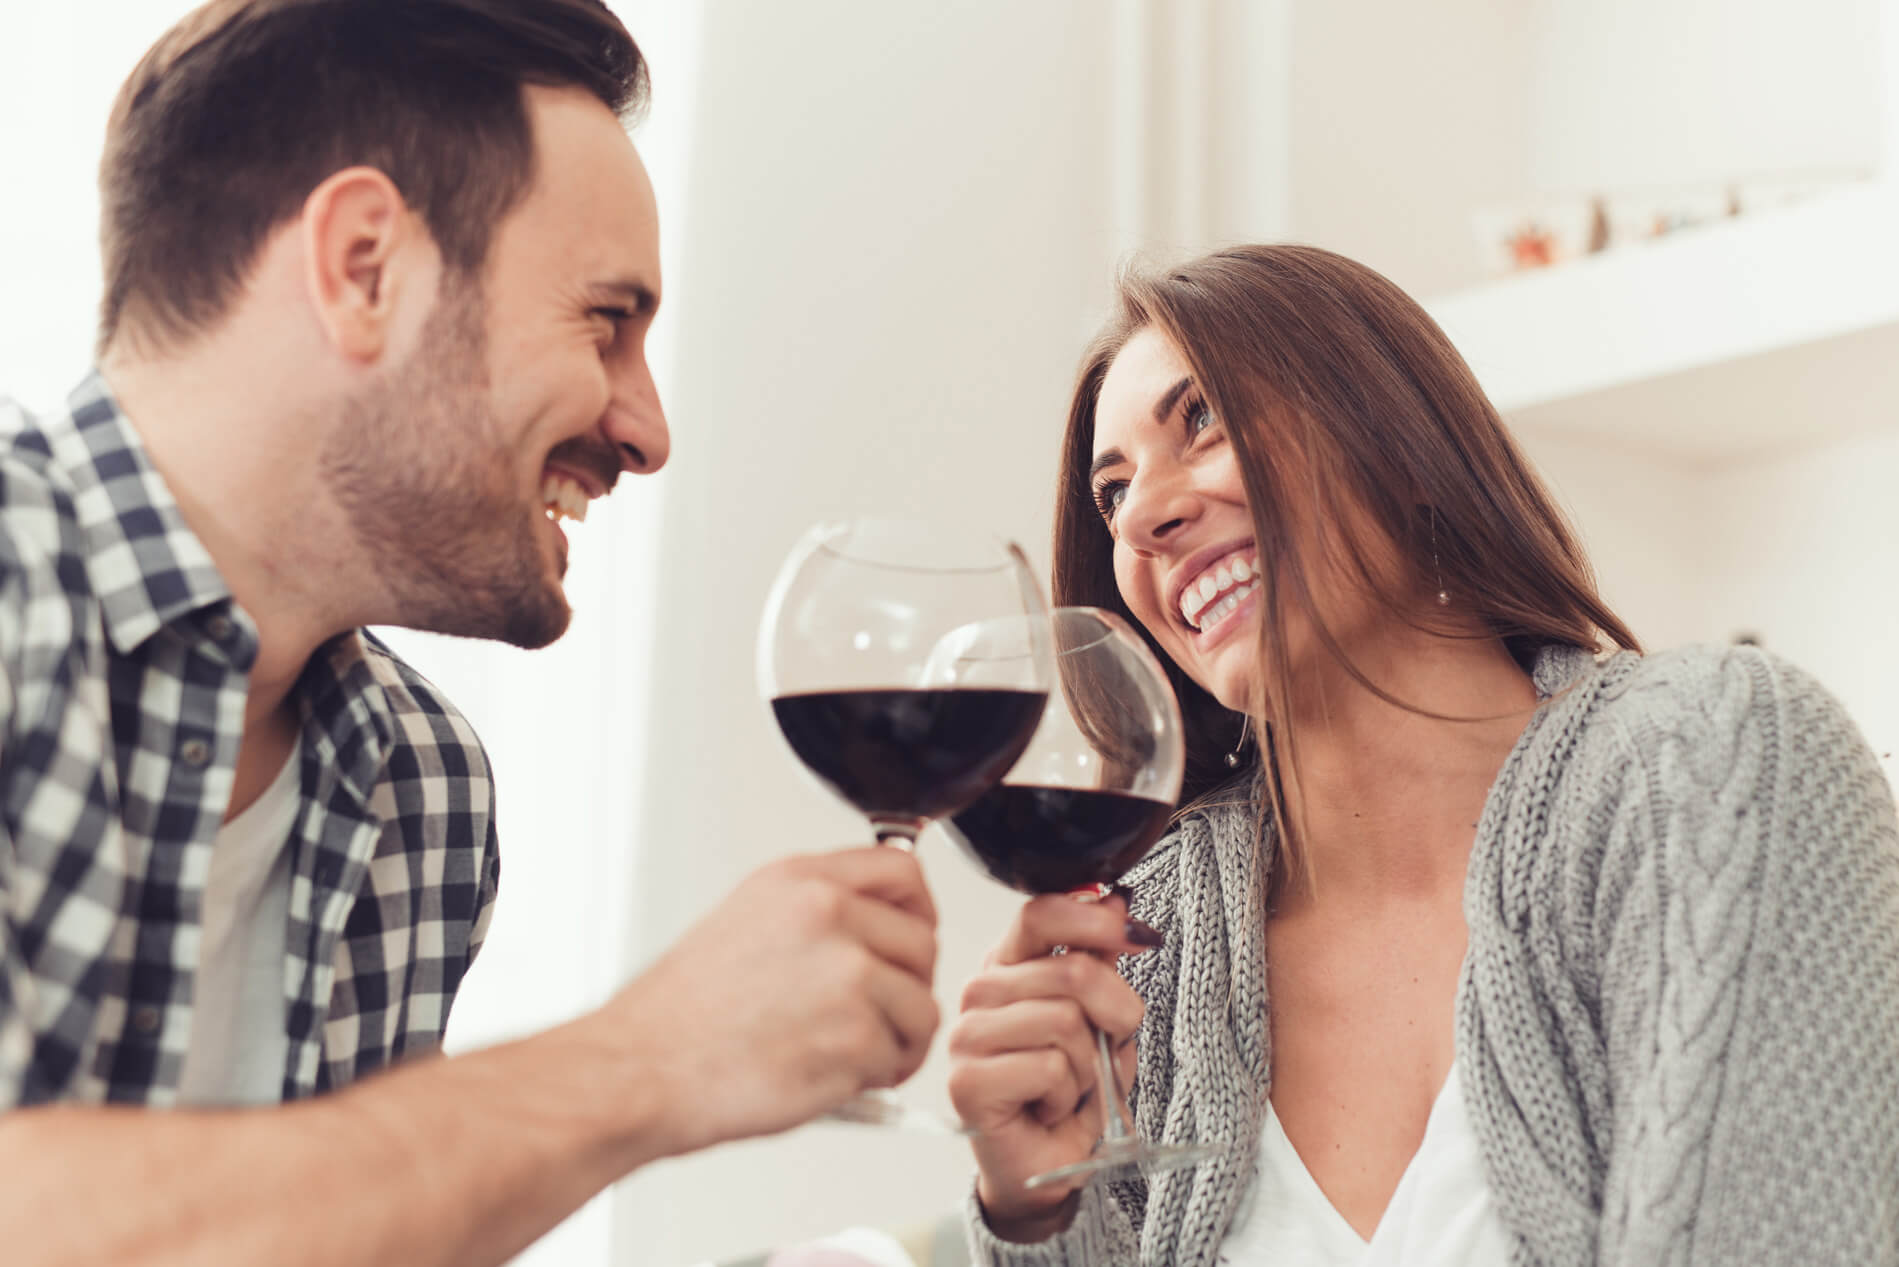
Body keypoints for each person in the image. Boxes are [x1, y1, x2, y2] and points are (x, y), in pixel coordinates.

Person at [0, 3, 940, 1263]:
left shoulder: (421, 786)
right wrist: (646, 1060)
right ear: (364, 268)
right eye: (606, 320)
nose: (647, 429)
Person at [947, 243, 1899, 1265]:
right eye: (1112, 492)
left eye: (1204, 419)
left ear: (1395, 433)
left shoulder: (1709, 763)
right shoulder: (1148, 940)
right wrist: (1035, 1214)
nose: (1143, 515)